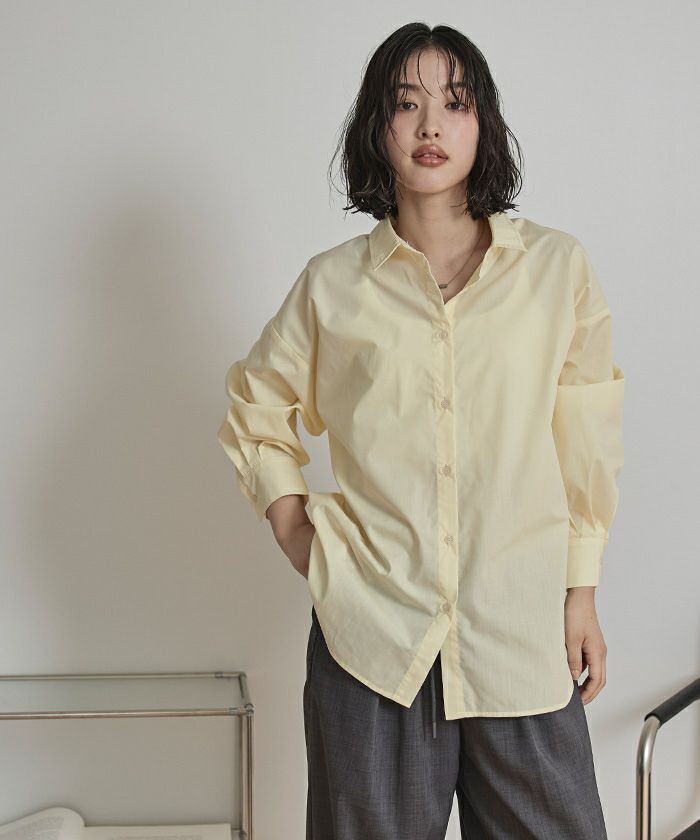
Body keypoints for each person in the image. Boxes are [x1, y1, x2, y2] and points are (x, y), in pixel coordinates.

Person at [217, 21, 624, 840]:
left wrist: (581, 590)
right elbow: (256, 407)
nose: (431, 125)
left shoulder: (556, 271)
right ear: (378, 126)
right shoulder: (332, 287)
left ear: (484, 124)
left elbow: (586, 436)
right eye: (407, 104)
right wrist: (295, 528)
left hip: (520, 632)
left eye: (456, 103)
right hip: (372, 641)